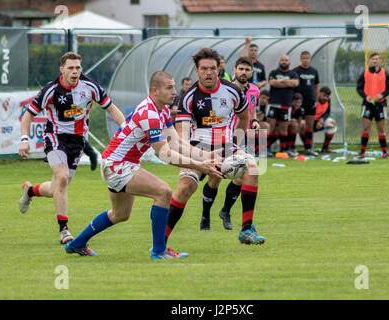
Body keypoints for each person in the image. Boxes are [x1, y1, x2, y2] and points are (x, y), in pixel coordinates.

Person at [64, 71, 223, 258]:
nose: (174, 91)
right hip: (118, 165)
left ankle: (76, 244)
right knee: (163, 192)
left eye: (173, 87)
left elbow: (176, 142)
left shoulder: (161, 110)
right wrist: (199, 166)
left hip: (116, 163)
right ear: (155, 90)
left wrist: (204, 155)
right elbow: (165, 154)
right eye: (169, 87)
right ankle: (159, 251)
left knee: (120, 214)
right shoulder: (150, 114)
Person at [18, 52, 126, 245]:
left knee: (57, 187)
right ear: (62, 69)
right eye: (70, 68)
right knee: (62, 177)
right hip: (55, 137)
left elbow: (111, 108)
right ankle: (64, 230)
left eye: (78, 68)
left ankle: (30, 191)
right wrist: (24, 139)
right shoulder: (51, 90)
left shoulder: (90, 87)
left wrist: (126, 130)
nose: (75, 72)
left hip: (77, 141)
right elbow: (28, 115)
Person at [165, 47, 266, 246]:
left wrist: (235, 144)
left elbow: (244, 116)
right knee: (185, 187)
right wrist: (200, 156)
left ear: (219, 69)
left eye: (213, 68)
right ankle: (162, 239)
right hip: (198, 148)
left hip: (226, 146)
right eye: (204, 68)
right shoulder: (188, 97)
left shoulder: (233, 91)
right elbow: (181, 137)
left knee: (252, 168)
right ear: (197, 70)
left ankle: (247, 229)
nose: (209, 72)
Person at [216, 56, 261, 230]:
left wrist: (255, 121)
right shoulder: (226, 89)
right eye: (240, 69)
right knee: (219, 176)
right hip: (226, 138)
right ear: (234, 70)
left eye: (247, 69)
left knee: (243, 176)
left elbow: (253, 110)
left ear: (251, 72)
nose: (243, 72)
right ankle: (228, 214)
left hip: (243, 138)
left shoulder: (254, 91)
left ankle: (228, 213)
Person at [356, 52, 389, 159]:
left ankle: (385, 152)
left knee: (381, 129)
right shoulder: (365, 73)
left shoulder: (385, 73)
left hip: (380, 104)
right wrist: (365, 96)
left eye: (377, 59)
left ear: (380, 61)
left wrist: (382, 95)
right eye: (373, 59)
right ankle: (362, 152)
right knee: (366, 127)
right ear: (370, 61)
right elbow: (359, 88)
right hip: (368, 104)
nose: (375, 61)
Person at [266, 55, 299, 155]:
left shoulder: (293, 74)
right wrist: (287, 83)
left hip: (286, 105)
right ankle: (265, 149)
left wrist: (280, 81)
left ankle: (283, 150)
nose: (284, 62)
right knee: (270, 127)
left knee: (283, 128)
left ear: (289, 62)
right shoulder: (274, 72)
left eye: (286, 60)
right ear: (279, 62)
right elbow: (272, 83)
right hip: (273, 104)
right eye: (282, 60)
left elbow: (295, 83)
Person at [293, 51, 320, 156]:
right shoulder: (296, 71)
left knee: (309, 125)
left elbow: (316, 86)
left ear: (310, 59)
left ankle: (308, 148)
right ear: (301, 59)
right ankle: (292, 147)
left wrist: (315, 98)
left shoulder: (314, 71)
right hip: (299, 103)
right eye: (303, 58)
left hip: (311, 102)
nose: (305, 60)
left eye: (307, 58)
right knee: (298, 124)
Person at [300, 87, 337, 153]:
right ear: (319, 93)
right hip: (308, 122)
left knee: (332, 123)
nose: (325, 98)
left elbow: (327, 113)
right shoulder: (312, 100)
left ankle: (325, 148)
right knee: (302, 124)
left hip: (319, 123)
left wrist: (322, 119)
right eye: (324, 95)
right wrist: (303, 119)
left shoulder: (328, 101)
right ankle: (307, 148)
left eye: (327, 96)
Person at [286, 93, 304, 157]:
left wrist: (295, 123)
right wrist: (290, 121)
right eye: (295, 102)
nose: (297, 104)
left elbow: (299, 122)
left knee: (296, 125)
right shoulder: (288, 109)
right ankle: (286, 148)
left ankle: (292, 148)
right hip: (284, 127)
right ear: (292, 102)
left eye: (299, 102)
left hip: (293, 127)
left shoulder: (300, 110)